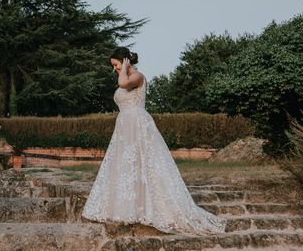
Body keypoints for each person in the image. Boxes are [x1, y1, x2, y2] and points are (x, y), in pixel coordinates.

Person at [81, 47, 225, 235]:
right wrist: (121, 68)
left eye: (115, 65)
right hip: (125, 128)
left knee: (146, 165)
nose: (114, 69)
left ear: (124, 61)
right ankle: (129, 208)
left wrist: (124, 68)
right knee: (127, 167)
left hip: (138, 125)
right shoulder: (125, 77)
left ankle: (153, 209)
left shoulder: (137, 77)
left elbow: (123, 83)